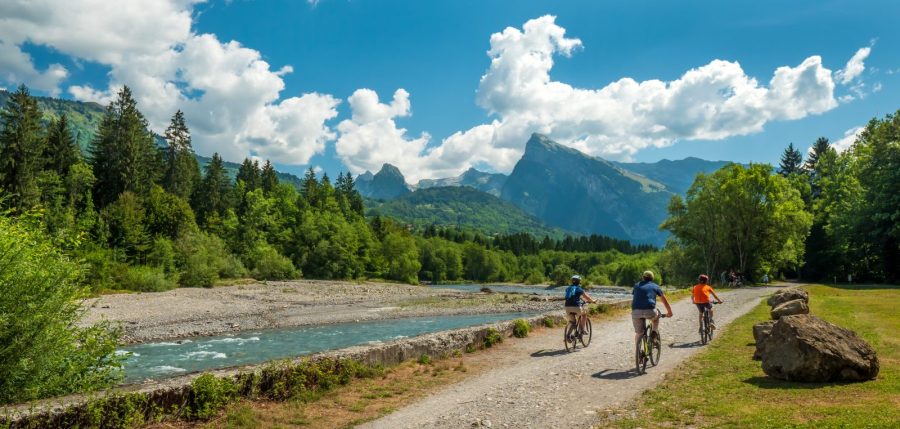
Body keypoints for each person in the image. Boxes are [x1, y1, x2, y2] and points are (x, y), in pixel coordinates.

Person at [632, 271, 673, 346]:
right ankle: (654, 335)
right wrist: (669, 312)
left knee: (639, 333)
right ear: (652, 278)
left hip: (635, 312)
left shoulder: (636, 285)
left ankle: (638, 353)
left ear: (643, 277)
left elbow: (636, 297)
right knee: (656, 318)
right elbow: (665, 301)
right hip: (650, 311)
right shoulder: (655, 286)